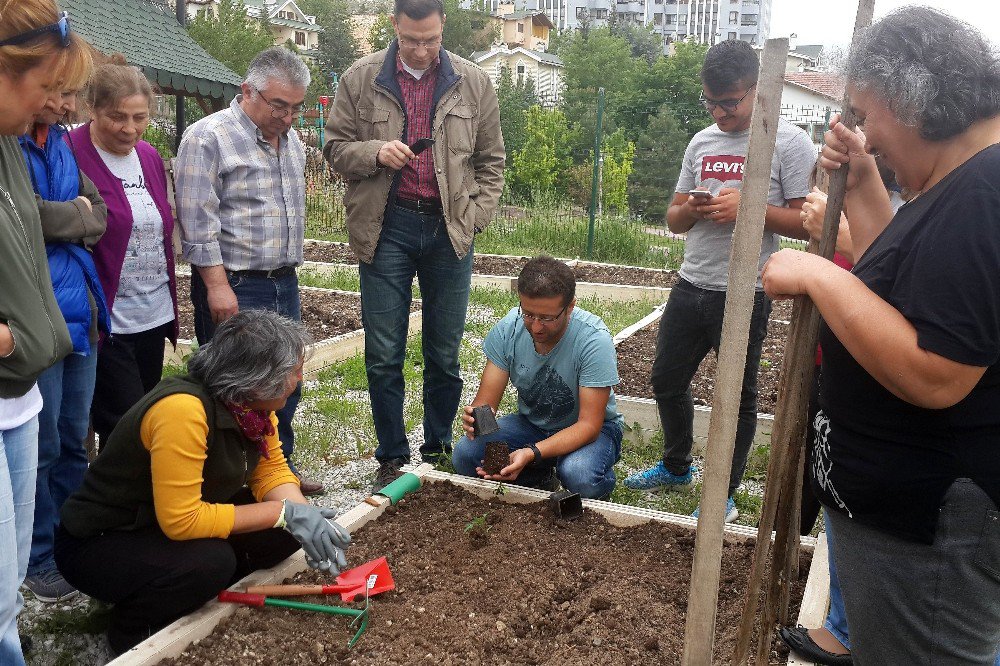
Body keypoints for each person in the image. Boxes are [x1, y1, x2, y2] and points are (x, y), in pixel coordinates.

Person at [762, 8, 1000, 663]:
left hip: (934, 535)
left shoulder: (986, 190)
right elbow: (900, 294)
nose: (863, 130)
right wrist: (866, 182)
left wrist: (818, 276)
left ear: (904, 100)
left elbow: (938, 372)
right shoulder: (962, 180)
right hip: (912, 529)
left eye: (867, 115)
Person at [55, 310, 352, 656]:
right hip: (103, 540)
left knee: (280, 536)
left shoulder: (251, 408)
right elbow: (182, 521)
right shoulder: (183, 411)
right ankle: (132, 633)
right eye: (293, 372)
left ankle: (194, 596)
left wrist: (303, 517)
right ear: (257, 380)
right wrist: (283, 513)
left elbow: (270, 471)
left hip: (155, 523)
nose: (299, 379)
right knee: (210, 562)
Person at [623, 39, 815, 523]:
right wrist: (693, 207)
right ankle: (676, 465)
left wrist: (749, 210)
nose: (719, 111)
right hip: (692, 284)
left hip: (746, 291)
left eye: (729, 101)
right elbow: (673, 218)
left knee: (739, 394)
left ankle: (725, 491)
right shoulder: (702, 141)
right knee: (666, 378)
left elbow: (806, 221)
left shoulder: (787, 143)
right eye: (710, 101)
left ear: (758, 90)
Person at [324, 0, 505, 491]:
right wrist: (375, 152)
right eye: (411, 40)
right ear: (395, 28)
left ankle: (438, 449)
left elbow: (492, 162)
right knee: (384, 352)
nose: (422, 50)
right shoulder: (361, 78)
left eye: (431, 39)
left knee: (443, 352)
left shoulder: (473, 81)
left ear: (443, 27)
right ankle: (392, 455)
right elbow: (334, 148)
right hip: (387, 228)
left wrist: (475, 218)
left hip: (450, 231)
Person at [175, 48, 323, 497]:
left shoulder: (291, 141)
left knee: (285, 384)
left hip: (283, 279)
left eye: (296, 107)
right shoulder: (208, 138)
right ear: (247, 90)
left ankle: (279, 473)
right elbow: (197, 220)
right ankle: (232, 482)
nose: (289, 116)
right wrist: (216, 286)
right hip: (237, 284)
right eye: (280, 105)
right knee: (239, 390)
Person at [0, 2, 89, 662]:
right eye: (46, 88)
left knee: (4, 594)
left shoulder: (9, 147)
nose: (51, 106)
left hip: (19, 393)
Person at [19, 57, 108, 605]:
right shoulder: (12, 146)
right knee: (43, 443)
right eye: (59, 92)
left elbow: (97, 212)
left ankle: (76, 544)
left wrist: (61, 215)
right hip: (37, 313)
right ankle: (39, 557)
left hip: (81, 311)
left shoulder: (58, 143)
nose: (70, 106)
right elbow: (20, 217)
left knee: (76, 437)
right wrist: (67, 215)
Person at [69, 56, 178, 447]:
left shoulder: (147, 156)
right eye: (118, 117)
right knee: (125, 427)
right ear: (93, 109)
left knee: (146, 418)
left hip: (152, 313)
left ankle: (133, 502)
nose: (130, 128)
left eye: (140, 117)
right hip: (107, 319)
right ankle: (122, 503)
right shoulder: (71, 152)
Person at [452, 256, 623, 499]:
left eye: (547, 318)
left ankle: (594, 476)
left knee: (579, 475)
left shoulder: (593, 340)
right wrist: (477, 420)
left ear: (570, 306)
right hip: (533, 424)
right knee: (466, 455)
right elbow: (486, 403)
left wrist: (532, 452)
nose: (536, 327)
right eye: (529, 314)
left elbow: (589, 426)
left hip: (594, 430)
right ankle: (541, 477)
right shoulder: (509, 328)